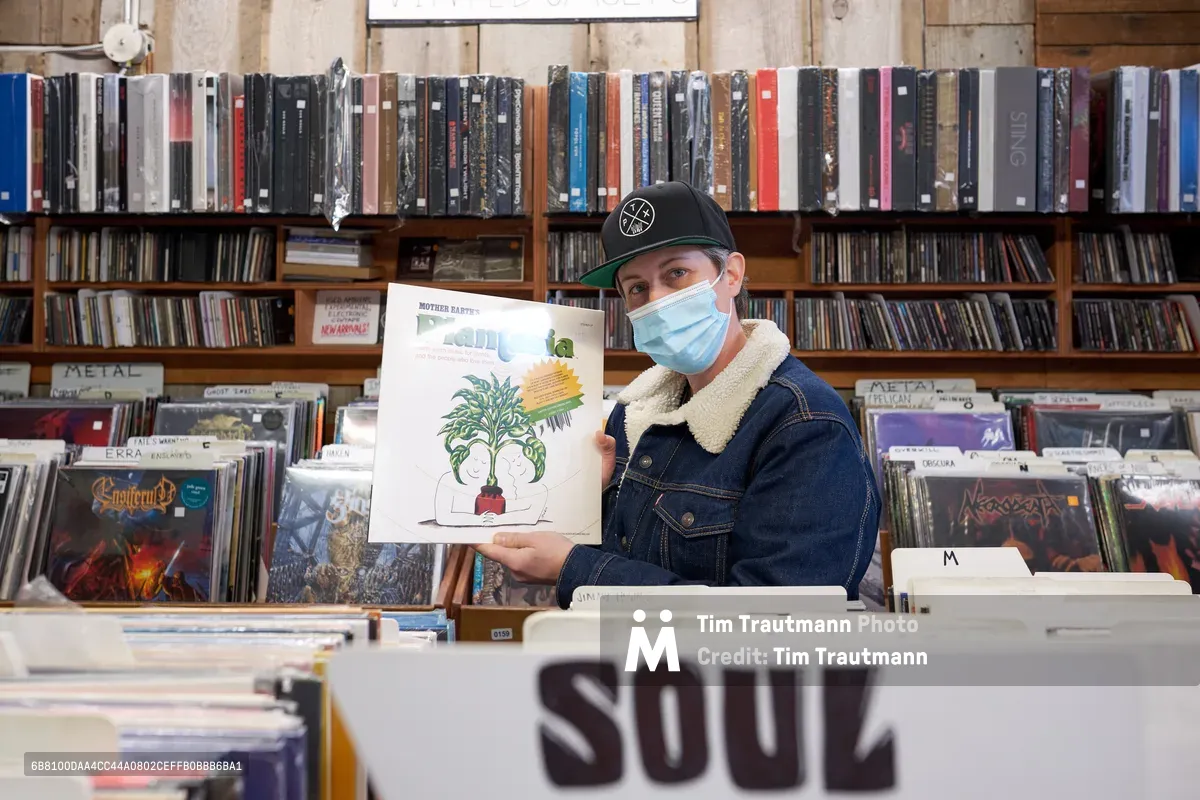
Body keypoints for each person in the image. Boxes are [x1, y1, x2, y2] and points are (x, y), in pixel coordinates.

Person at [476, 181, 879, 608]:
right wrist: (584, 506)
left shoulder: (806, 425)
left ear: (732, 274)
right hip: (625, 668)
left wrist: (573, 568)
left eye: (676, 274)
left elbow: (774, 620)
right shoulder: (631, 419)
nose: (657, 300)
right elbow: (625, 563)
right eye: (636, 288)